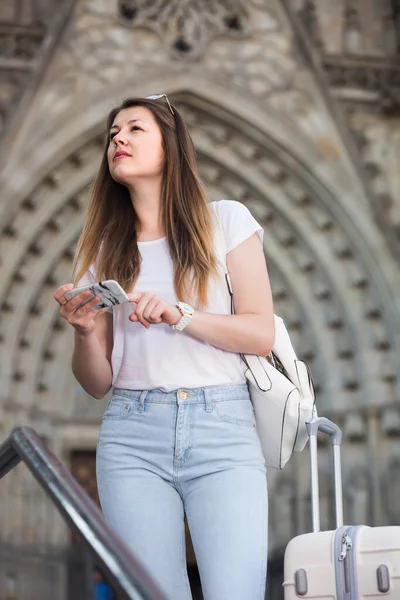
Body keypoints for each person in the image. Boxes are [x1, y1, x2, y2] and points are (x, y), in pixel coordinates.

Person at [54, 94, 275, 600]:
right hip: (132, 433)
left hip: (222, 427)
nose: (118, 140)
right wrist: (85, 331)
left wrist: (181, 315)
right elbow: (97, 383)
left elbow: (260, 333)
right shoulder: (103, 250)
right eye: (112, 134)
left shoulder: (226, 221)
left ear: (170, 148)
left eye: (134, 129)